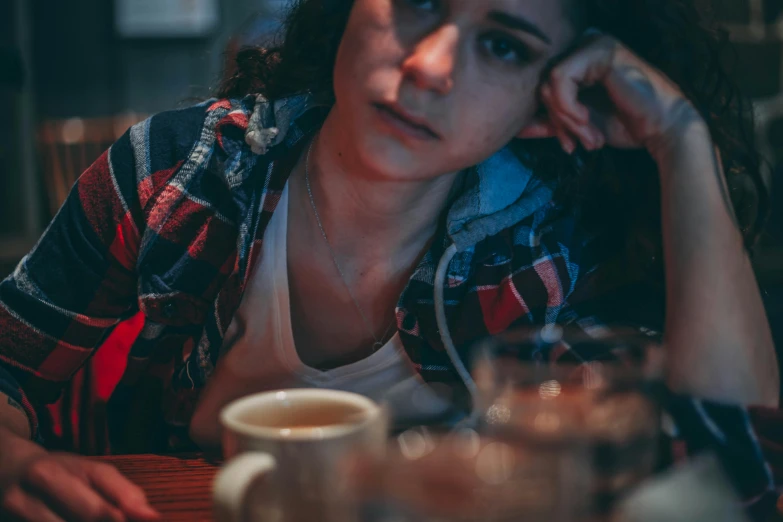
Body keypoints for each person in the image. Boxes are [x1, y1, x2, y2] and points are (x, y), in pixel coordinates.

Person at [0, 0, 780, 520]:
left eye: (503, 46)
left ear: (547, 94)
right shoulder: (181, 169)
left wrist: (680, 140)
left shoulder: (551, 246)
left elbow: (730, 478)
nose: (432, 67)